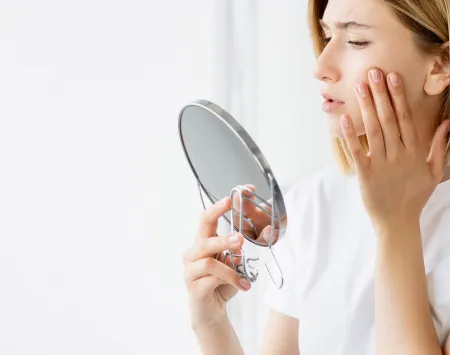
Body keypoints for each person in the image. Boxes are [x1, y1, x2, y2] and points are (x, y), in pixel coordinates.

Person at [182, 0, 450, 353]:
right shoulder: (312, 206)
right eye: (327, 36)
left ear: (440, 66)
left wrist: (396, 228)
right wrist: (212, 327)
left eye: (356, 41)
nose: (321, 66)